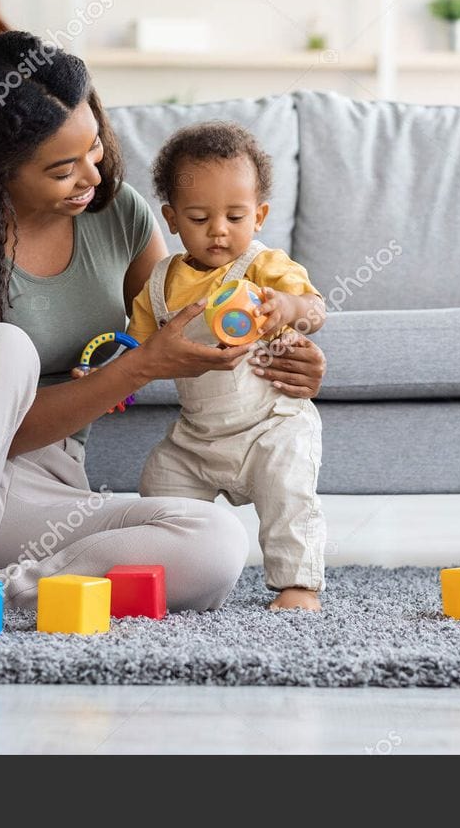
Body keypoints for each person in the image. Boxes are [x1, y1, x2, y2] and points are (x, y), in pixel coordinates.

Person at [0, 31, 326, 650]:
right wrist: (139, 370)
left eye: (94, 149)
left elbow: (187, 317)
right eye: (63, 168)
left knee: (216, 543)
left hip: (45, 492)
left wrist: (282, 353)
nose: (93, 175)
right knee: (0, 346)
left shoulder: (121, 215)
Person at [126, 122, 327, 611]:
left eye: (235, 216)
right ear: (171, 219)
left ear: (258, 216)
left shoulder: (263, 266)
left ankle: (296, 584)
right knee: (159, 482)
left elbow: (315, 307)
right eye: (199, 217)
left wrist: (288, 309)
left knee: (288, 491)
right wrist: (112, 383)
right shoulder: (158, 285)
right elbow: (136, 352)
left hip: (270, 426)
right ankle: (165, 575)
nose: (219, 229)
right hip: (197, 436)